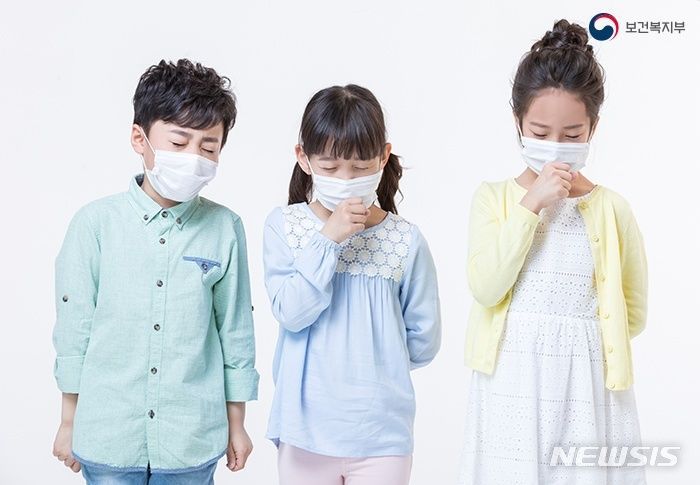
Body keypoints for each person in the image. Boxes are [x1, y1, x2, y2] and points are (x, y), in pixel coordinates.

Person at [51, 59, 259, 484]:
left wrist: (237, 423)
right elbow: (75, 328)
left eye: (208, 148)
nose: (193, 158)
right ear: (139, 138)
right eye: (179, 142)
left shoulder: (225, 228)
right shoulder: (95, 225)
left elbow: (235, 330)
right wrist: (69, 421)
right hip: (108, 435)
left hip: (191, 440)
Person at [458, 20, 648, 484]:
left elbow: (633, 311)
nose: (556, 147)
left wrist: (583, 344)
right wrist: (531, 205)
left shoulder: (612, 208)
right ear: (518, 123)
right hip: (512, 382)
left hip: (588, 387)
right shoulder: (493, 199)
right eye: (540, 133)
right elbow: (486, 288)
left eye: (572, 134)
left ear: (593, 127)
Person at [263, 84, 442, 485]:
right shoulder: (285, 226)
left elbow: (424, 340)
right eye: (329, 167)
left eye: (360, 168)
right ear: (304, 158)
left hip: (382, 436)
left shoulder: (404, 239)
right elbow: (290, 312)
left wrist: (375, 363)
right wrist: (328, 239)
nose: (345, 180)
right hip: (305, 431)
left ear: (383, 157)